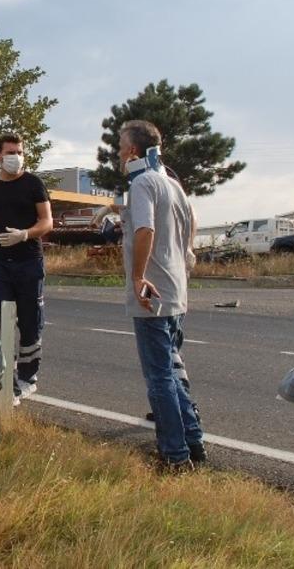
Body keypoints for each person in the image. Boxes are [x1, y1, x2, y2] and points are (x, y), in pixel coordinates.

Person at [118, 120, 204, 469]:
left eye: (121, 146)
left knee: (160, 378)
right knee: (171, 369)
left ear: (134, 151)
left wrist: (138, 276)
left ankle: (174, 455)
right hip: (175, 290)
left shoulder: (142, 182)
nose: (119, 153)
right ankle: (194, 441)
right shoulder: (172, 184)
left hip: (151, 294)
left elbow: (145, 230)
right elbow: (190, 226)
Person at [0, 133, 53, 404]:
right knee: (0, 319)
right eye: (10, 152)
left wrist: (25, 234)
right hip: (0, 264)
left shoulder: (33, 184)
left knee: (29, 322)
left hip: (29, 262)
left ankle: (28, 377)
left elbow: (47, 221)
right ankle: (7, 379)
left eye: (19, 152)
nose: (16, 157)